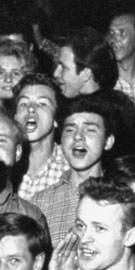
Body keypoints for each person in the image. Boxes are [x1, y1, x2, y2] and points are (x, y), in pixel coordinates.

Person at [27, 93, 114, 241]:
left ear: (108, 142)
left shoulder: (120, 196)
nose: (78, 137)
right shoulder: (40, 202)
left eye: (90, 130)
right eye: (70, 130)